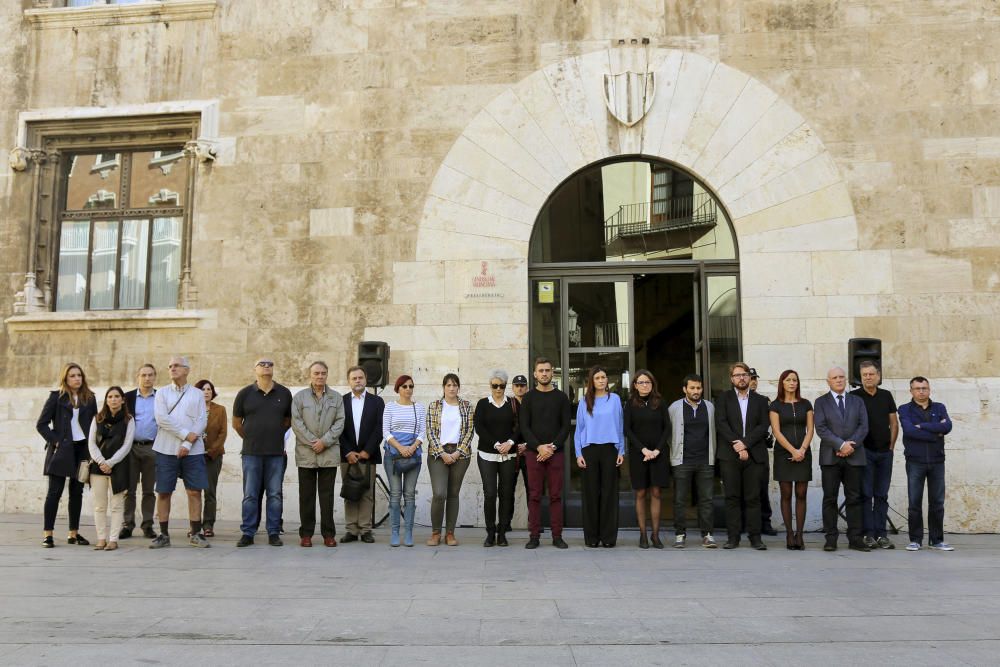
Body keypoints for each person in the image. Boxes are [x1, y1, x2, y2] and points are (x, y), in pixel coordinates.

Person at [150, 356, 211, 549]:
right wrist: (185, 435)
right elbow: (162, 419)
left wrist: (187, 444)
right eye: (170, 366)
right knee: (164, 491)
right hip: (166, 449)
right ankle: (163, 534)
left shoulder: (197, 394)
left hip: (193, 451)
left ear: (187, 370)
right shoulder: (162, 394)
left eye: (176, 366)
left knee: (194, 491)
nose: (172, 369)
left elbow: (201, 420)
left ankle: (195, 533)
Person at [233, 358, 293, 547]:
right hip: (251, 453)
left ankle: (274, 532)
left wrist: (273, 435)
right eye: (262, 364)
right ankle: (248, 533)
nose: (266, 366)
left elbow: (287, 421)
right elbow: (236, 423)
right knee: (250, 494)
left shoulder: (284, 393)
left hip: (276, 453)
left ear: (273, 369)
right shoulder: (244, 394)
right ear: (255, 369)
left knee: (275, 494)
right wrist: (252, 438)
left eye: (270, 364)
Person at [36, 362, 98, 548]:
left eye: (79, 375)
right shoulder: (57, 397)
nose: (77, 378)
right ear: (65, 378)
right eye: (72, 375)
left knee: (76, 492)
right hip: (62, 450)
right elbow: (41, 424)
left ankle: (74, 533)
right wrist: (55, 440)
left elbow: (95, 425)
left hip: (82, 450)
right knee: (54, 493)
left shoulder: (90, 398)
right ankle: (48, 534)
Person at [715, 362, 771, 550]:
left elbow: (763, 426)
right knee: (732, 497)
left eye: (745, 375)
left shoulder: (761, 401)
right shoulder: (723, 399)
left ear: (750, 378)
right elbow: (721, 424)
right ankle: (733, 537)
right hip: (729, 455)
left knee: (753, 497)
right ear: (732, 379)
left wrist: (745, 444)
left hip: (754, 455)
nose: (742, 378)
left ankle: (755, 538)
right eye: (737, 375)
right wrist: (738, 445)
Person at [814, 366, 869, 552]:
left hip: (854, 456)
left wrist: (850, 446)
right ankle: (831, 539)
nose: (838, 380)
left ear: (846, 379)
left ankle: (855, 538)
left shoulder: (858, 401)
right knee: (830, 498)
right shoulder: (820, 402)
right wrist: (840, 445)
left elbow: (863, 426)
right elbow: (821, 428)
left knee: (854, 498)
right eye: (834, 378)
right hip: (831, 458)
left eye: (841, 377)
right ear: (828, 381)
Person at [519, 357, 572, 549]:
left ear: (552, 373)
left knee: (556, 496)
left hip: (555, 453)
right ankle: (534, 536)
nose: (544, 374)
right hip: (534, 453)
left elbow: (566, 426)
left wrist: (552, 447)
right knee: (534, 495)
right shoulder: (528, 398)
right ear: (534, 374)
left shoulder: (561, 398)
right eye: (540, 370)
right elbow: (524, 427)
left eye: (547, 370)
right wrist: (539, 447)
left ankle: (557, 536)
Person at [291, 361, 346, 548]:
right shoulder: (299, 398)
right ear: (310, 375)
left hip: (328, 454)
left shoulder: (336, 398)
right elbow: (296, 423)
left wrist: (325, 442)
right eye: (316, 373)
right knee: (306, 497)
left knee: (327, 497)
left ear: (327, 375)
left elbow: (340, 422)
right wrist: (312, 442)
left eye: (323, 373)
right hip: (306, 455)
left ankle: (328, 534)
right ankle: (306, 534)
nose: (319, 376)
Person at [898, 377, 953, 552]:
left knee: (937, 502)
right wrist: (935, 431)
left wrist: (921, 426)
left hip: (937, 461)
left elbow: (948, 427)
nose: (921, 391)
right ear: (911, 391)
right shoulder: (904, 409)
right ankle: (915, 540)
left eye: (924, 388)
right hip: (915, 461)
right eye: (917, 388)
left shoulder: (940, 407)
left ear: (929, 389)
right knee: (915, 501)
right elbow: (909, 431)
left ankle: (936, 540)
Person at [850, 361, 899, 549]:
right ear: (860, 377)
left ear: (878, 376)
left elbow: (894, 423)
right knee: (866, 494)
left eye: (871, 374)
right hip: (864, 453)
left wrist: (891, 447)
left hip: (885, 453)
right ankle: (868, 534)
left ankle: (881, 534)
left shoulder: (886, 395)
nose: (868, 377)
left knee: (881, 495)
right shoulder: (854, 397)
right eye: (864, 375)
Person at [575, 366, 625, 548]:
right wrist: (578, 453)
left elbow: (620, 426)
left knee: (609, 494)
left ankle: (609, 537)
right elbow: (578, 430)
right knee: (590, 494)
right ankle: (591, 538)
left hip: (610, 450)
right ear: (592, 381)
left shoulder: (615, 400)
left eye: (604, 377)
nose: (602, 380)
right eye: (597, 378)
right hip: (589, 451)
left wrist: (621, 450)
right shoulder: (584, 401)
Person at [668, 374, 717, 549]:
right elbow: (669, 432)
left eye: (698, 388)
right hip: (682, 460)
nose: (696, 391)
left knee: (706, 499)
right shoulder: (674, 407)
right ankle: (680, 534)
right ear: (685, 389)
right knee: (680, 499)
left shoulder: (710, 407)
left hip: (705, 460)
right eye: (692, 388)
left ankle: (707, 534)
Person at [426, 373, 475, 547]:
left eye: (455, 385)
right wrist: (443, 453)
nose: (452, 388)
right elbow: (430, 432)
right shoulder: (435, 406)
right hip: (438, 455)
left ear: (458, 387)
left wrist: (457, 453)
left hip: (460, 455)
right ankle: (435, 532)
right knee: (439, 494)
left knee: (453, 494)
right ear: (443, 387)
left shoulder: (467, 406)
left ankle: (450, 533)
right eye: (448, 385)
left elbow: (470, 432)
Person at [624, 370, 670, 549]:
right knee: (641, 493)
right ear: (635, 385)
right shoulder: (630, 404)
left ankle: (656, 535)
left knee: (656, 493)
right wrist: (643, 449)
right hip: (638, 454)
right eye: (641, 382)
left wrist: (657, 450)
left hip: (658, 454)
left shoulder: (660, 402)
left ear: (653, 384)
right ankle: (643, 534)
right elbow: (627, 430)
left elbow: (667, 428)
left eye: (648, 382)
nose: (645, 385)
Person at [474, 369, 520, 547]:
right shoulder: (483, 404)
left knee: (506, 493)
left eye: (501, 385)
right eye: (495, 385)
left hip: (509, 454)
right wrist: (495, 444)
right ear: (490, 385)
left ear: (506, 386)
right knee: (490, 493)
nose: (498, 389)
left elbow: (520, 426)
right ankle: (490, 532)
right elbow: (479, 427)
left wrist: (509, 442)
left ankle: (502, 532)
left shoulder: (514, 403)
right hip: (487, 454)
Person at [769, 369, 814, 550]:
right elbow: (776, 431)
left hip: (803, 452)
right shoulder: (775, 405)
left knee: (801, 494)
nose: (792, 383)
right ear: (782, 383)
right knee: (786, 494)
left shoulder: (806, 404)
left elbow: (810, 429)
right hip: (783, 454)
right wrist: (792, 451)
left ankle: (800, 535)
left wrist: (801, 449)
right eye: (788, 380)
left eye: (795, 380)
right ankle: (789, 534)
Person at [340, 366, 384, 544]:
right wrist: (348, 451)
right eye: (354, 378)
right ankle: (351, 529)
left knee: (366, 493)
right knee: (350, 492)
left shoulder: (377, 401)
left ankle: (365, 529)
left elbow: (379, 427)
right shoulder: (341, 401)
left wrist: (368, 450)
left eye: (360, 377)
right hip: (347, 455)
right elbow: (337, 428)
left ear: (366, 379)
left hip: (368, 455)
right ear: (349, 381)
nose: (357, 381)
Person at [87, 386, 135, 551]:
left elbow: (127, 445)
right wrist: (101, 462)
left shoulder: (129, 420)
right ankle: (101, 539)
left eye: (116, 396)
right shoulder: (97, 418)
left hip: (119, 466)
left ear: (122, 400)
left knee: (116, 505)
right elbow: (91, 443)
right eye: (110, 397)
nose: (113, 399)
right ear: (106, 400)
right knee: (99, 506)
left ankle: (113, 539)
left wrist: (111, 463)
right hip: (98, 468)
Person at [383, 375, 425, 547]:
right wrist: (400, 448)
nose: (408, 389)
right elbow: (386, 432)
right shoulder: (390, 407)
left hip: (413, 455)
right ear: (398, 389)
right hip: (393, 455)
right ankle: (394, 532)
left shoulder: (419, 407)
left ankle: (408, 532)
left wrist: (412, 447)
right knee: (395, 495)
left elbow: (423, 432)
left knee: (409, 495)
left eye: (411, 386)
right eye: (404, 386)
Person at [122, 364, 158, 540]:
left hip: (152, 447)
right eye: (143, 375)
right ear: (138, 377)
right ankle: (127, 525)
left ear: (155, 377)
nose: (147, 378)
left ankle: (148, 525)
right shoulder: (127, 397)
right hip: (131, 448)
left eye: (150, 375)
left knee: (149, 490)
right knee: (129, 489)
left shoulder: (160, 397)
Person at [195, 379, 227, 538]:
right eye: (202, 389)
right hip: (194, 456)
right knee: (194, 492)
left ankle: (208, 525)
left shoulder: (220, 410)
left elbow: (223, 433)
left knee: (210, 492)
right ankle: (194, 526)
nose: (206, 392)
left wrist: (212, 451)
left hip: (213, 457)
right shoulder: (191, 410)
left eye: (209, 389)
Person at [747, 368, 776, 536]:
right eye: (751, 378)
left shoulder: (765, 401)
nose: (753, 382)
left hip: (759, 450)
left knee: (762, 489)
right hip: (742, 450)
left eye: (755, 379)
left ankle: (765, 522)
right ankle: (746, 522)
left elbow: (771, 425)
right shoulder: (736, 401)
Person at [511, 374, 532, 525]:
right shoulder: (507, 404)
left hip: (530, 450)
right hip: (512, 451)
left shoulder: (532, 403)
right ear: (512, 388)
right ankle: (506, 522)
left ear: (527, 387)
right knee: (508, 489)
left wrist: (528, 445)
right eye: (517, 385)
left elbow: (537, 427)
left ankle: (534, 522)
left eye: (522, 385)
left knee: (532, 489)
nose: (520, 388)